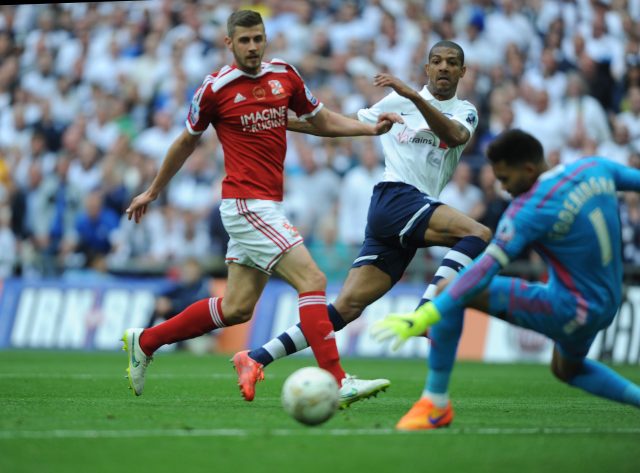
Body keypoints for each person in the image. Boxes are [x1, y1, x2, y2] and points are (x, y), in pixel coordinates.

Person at [122, 10, 400, 402]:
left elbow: (317, 120)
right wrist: (153, 190)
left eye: (258, 39)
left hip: (265, 204)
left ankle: (146, 340)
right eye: (245, 40)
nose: (252, 47)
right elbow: (185, 143)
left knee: (236, 308)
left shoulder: (285, 76)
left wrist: (367, 129)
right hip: (245, 204)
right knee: (314, 281)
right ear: (229, 43)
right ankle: (338, 382)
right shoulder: (215, 89)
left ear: (265, 39)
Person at [234, 40, 492, 407]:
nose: (444, 68)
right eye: (437, 61)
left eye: (452, 63)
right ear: (427, 68)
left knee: (345, 308)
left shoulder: (465, 111)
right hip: (395, 197)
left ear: (463, 72)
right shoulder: (396, 102)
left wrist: (414, 98)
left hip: (408, 210)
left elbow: (453, 136)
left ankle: (255, 357)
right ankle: (428, 310)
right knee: (478, 233)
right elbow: (338, 124)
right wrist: (270, 122)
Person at [372, 129, 640, 430]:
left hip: (572, 308)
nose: (503, 189)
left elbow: (483, 269)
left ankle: (435, 405)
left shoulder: (529, 209)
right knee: (568, 369)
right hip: (609, 300)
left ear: (528, 169)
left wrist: (431, 311)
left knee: (451, 289)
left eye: (505, 179)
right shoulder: (594, 168)